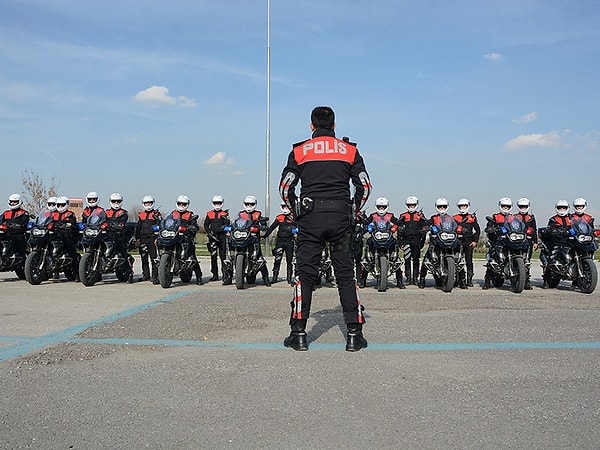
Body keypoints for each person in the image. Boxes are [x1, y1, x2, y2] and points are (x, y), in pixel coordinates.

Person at [279, 105, 371, 352]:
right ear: (334, 125)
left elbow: (285, 188)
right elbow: (365, 186)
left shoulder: (300, 150)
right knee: (345, 276)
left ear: (311, 126)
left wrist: (296, 212)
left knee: (305, 276)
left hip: (310, 217)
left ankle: (298, 334)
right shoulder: (349, 149)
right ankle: (354, 334)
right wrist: (353, 211)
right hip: (340, 216)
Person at [358, 197, 403, 288]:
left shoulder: (390, 215)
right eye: (379, 207)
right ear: (376, 207)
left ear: (386, 207)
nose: (381, 208)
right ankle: (363, 280)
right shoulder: (373, 215)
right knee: (366, 257)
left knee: (397, 258)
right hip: (376, 235)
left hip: (387, 235)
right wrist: (364, 220)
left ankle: (399, 281)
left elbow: (397, 222)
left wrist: (398, 225)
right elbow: (367, 222)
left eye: (383, 207)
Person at [232, 195, 271, 286]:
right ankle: (229, 277)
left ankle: (266, 279)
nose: (249, 206)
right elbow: (236, 223)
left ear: (255, 204)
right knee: (230, 251)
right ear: (244, 204)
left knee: (259, 258)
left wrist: (263, 226)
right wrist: (230, 226)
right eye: (247, 204)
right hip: (242, 236)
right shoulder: (241, 214)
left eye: (251, 204)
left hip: (254, 238)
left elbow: (263, 222)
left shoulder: (258, 214)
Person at [418, 198, 456, 288]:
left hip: (448, 239)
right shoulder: (434, 217)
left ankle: (462, 280)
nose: (442, 208)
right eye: (440, 206)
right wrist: (426, 226)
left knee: (459, 254)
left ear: (447, 207)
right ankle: (422, 279)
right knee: (426, 258)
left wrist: (461, 228)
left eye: (444, 206)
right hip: (436, 239)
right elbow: (428, 223)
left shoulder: (450, 218)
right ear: (437, 207)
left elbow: (456, 225)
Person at [170, 195, 203, 285]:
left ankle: (199, 276)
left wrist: (191, 227)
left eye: (183, 204)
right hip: (174, 236)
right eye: (179, 203)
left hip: (186, 237)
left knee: (192, 256)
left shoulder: (190, 215)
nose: (181, 205)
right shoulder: (172, 214)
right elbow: (167, 222)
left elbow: (195, 226)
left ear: (187, 204)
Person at [482, 197, 513, 289]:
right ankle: (487, 280)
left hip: (510, 239)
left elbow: (518, 226)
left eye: (507, 206)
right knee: (493, 255)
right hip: (497, 240)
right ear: (500, 206)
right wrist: (490, 229)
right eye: (504, 206)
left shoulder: (513, 217)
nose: (505, 208)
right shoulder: (495, 216)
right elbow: (489, 226)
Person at [264, 201, 297, 285]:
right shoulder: (279, 217)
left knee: (289, 260)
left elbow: (300, 228)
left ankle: (289, 278)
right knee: (277, 259)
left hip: (290, 242)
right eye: (283, 206)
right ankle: (275, 277)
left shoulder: (294, 217)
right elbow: (272, 227)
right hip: (280, 241)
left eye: (286, 206)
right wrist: (265, 235)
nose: (285, 208)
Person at [397, 196, 427, 286]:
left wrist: (422, 242)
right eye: (409, 205)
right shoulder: (403, 215)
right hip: (406, 241)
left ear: (416, 205)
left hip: (417, 241)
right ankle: (408, 278)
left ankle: (415, 278)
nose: (411, 207)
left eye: (413, 205)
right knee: (407, 259)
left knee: (416, 260)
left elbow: (425, 229)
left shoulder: (420, 216)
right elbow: (399, 230)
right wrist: (400, 243)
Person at [105, 193, 134, 283]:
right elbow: (101, 219)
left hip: (119, 235)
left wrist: (119, 225)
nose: (116, 203)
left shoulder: (123, 212)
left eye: (118, 201)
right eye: (114, 201)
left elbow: (123, 221)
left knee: (122, 251)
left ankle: (129, 273)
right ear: (110, 202)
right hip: (107, 235)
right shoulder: (106, 212)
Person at [51, 196, 80, 281]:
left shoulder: (70, 214)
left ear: (66, 205)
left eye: (62, 205)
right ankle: (52, 271)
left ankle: (77, 274)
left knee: (72, 254)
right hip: (55, 236)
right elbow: (48, 221)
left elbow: (73, 224)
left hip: (67, 236)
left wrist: (69, 225)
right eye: (58, 205)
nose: (60, 207)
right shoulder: (53, 214)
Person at [453, 198, 480, 287]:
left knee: (469, 261)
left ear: (468, 206)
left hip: (468, 241)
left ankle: (469, 280)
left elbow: (477, 230)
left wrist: (475, 241)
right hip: (457, 241)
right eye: (461, 206)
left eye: (465, 206)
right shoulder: (454, 217)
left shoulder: (472, 218)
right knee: (457, 260)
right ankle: (459, 278)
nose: (463, 208)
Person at [135, 195, 162, 284]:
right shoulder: (141, 215)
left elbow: (160, 226)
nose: (148, 205)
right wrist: (137, 238)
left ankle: (155, 276)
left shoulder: (157, 214)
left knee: (154, 259)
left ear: (153, 203)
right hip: (143, 239)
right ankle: (145, 275)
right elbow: (138, 228)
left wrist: (157, 238)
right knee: (144, 258)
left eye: (149, 203)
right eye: (146, 203)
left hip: (152, 239)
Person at [203, 195, 230, 282]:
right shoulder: (209, 213)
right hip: (212, 238)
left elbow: (228, 225)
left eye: (219, 203)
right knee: (213, 257)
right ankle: (215, 275)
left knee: (223, 257)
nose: (217, 205)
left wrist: (224, 229)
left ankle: (225, 275)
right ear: (213, 203)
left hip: (222, 238)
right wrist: (209, 232)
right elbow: (205, 225)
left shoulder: (225, 214)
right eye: (215, 203)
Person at [515, 198, 538, 290]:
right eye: (521, 206)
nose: (523, 208)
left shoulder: (531, 217)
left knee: (527, 261)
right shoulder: (514, 217)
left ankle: (527, 281)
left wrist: (536, 242)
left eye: (525, 206)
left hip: (528, 241)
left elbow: (534, 229)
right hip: (517, 240)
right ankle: (517, 278)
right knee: (517, 258)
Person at [1, 194, 30, 262]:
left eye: (15, 202)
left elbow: (24, 221)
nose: (13, 203)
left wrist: (18, 225)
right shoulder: (6, 213)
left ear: (19, 202)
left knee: (20, 250)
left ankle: (23, 263)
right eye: (11, 201)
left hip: (19, 235)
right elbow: (0, 220)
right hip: (7, 234)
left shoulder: (24, 213)